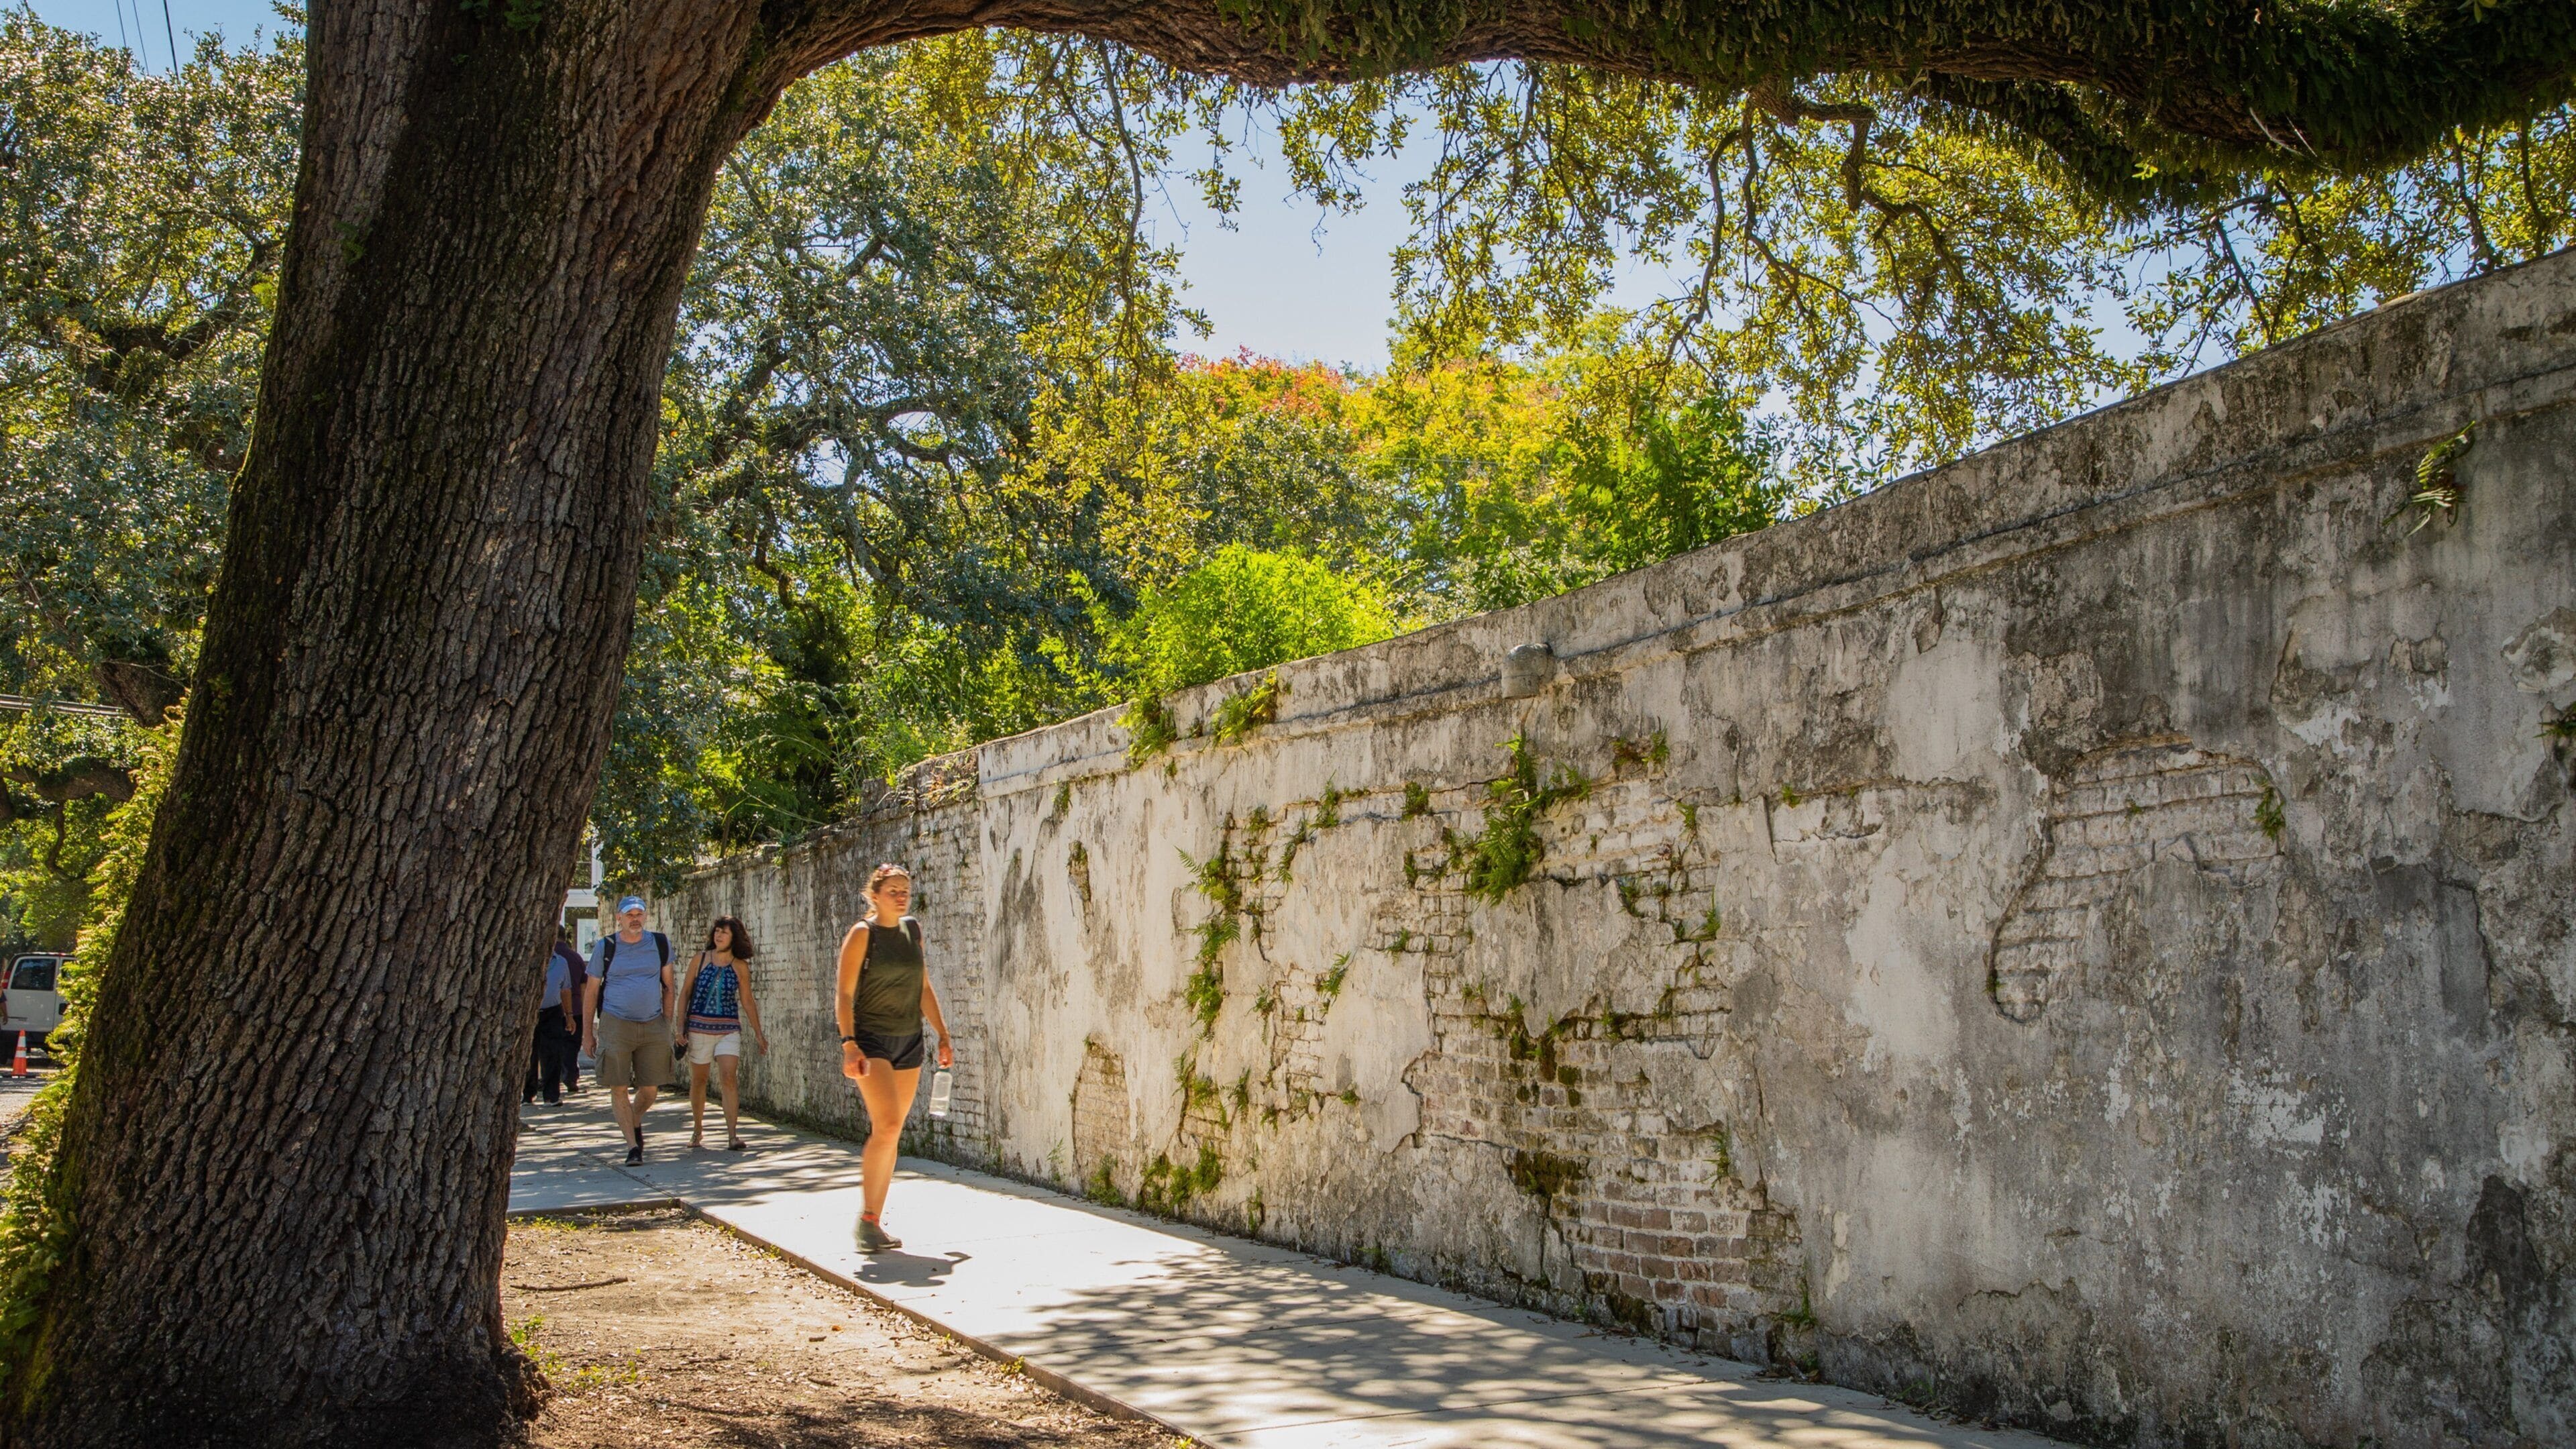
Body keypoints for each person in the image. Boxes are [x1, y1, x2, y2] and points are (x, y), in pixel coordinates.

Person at [837, 863, 953, 1252]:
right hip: (871, 1041)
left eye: (905, 889)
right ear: (874, 895)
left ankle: (873, 1220)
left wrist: (943, 1034)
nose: (901, 896)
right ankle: (867, 1221)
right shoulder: (862, 934)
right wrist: (849, 1043)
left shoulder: (912, 931)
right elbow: (845, 994)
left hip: (910, 1042)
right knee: (886, 1126)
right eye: (893, 890)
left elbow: (922, 986)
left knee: (892, 1132)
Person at [583, 895, 676, 1165]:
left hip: (653, 1022)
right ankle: (633, 1146)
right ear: (619, 918)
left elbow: (669, 986)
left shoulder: (659, 943)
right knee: (619, 1085)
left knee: (650, 1088)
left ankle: (633, 1120)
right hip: (616, 1021)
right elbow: (591, 991)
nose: (635, 919)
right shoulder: (607, 946)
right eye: (630, 914)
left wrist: (666, 1022)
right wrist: (588, 1033)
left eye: (639, 914)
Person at [680, 916, 768, 1150]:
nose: (718, 936)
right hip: (699, 1029)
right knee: (699, 1080)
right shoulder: (699, 960)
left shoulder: (740, 966)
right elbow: (685, 994)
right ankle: (698, 1130)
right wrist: (680, 1028)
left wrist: (758, 1033)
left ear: (734, 938)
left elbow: (747, 1001)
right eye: (717, 931)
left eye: (725, 933)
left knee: (729, 1078)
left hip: (729, 1029)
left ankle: (732, 1135)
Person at [524, 934, 578, 1106]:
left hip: (553, 1011)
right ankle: (527, 1094)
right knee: (528, 1055)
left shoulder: (561, 962)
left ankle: (551, 1096)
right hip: (529, 1011)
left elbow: (566, 990)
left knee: (553, 1053)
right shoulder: (525, 959)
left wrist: (569, 1016)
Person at [552, 925, 589, 1093]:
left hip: (553, 1007)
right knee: (572, 1045)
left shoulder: (550, 957)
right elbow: (583, 985)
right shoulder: (575, 957)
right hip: (575, 1007)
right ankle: (571, 1077)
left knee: (552, 1045)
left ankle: (551, 1080)